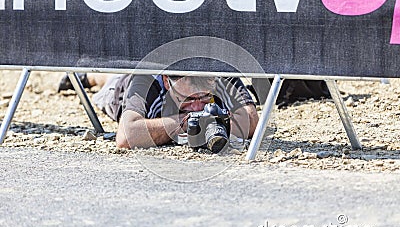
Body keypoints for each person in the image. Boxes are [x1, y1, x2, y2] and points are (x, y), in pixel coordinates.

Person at [59, 73, 259, 149]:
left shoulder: (219, 74)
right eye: (188, 100)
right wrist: (185, 123)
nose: (199, 107)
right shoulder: (147, 81)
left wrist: (211, 124)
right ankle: (89, 77)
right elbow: (125, 137)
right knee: (110, 80)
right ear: (166, 81)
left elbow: (252, 119)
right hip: (120, 89)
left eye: (205, 98)